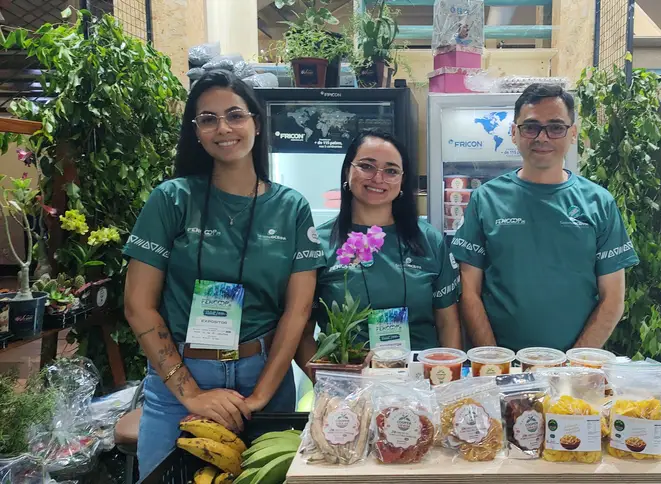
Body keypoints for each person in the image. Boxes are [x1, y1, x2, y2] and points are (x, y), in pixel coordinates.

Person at [123, 70, 325, 478]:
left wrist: (261, 395)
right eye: (208, 119)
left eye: (234, 115)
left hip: (264, 374)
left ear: (255, 121)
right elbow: (138, 305)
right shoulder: (171, 199)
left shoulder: (291, 208)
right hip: (179, 377)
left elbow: (297, 312)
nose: (223, 128)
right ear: (196, 131)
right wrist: (192, 395)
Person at [451, 83, 639, 352]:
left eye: (555, 127)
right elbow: (469, 293)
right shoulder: (486, 199)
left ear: (572, 133)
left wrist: (574, 365)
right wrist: (494, 361)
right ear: (514, 134)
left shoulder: (599, 203)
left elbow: (613, 299)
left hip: (573, 368)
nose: (542, 137)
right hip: (501, 364)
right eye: (530, 127)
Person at [300, 130, 461, 365]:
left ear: (402, 181)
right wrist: (329, 382)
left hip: (420, 383)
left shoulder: (429, 240)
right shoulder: (320, 242)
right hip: (351, 384)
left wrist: (445, 379)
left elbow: (449, 323)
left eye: (391, 171)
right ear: (347, 170)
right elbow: (302, 330)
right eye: (367, 166)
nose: (378, 178)